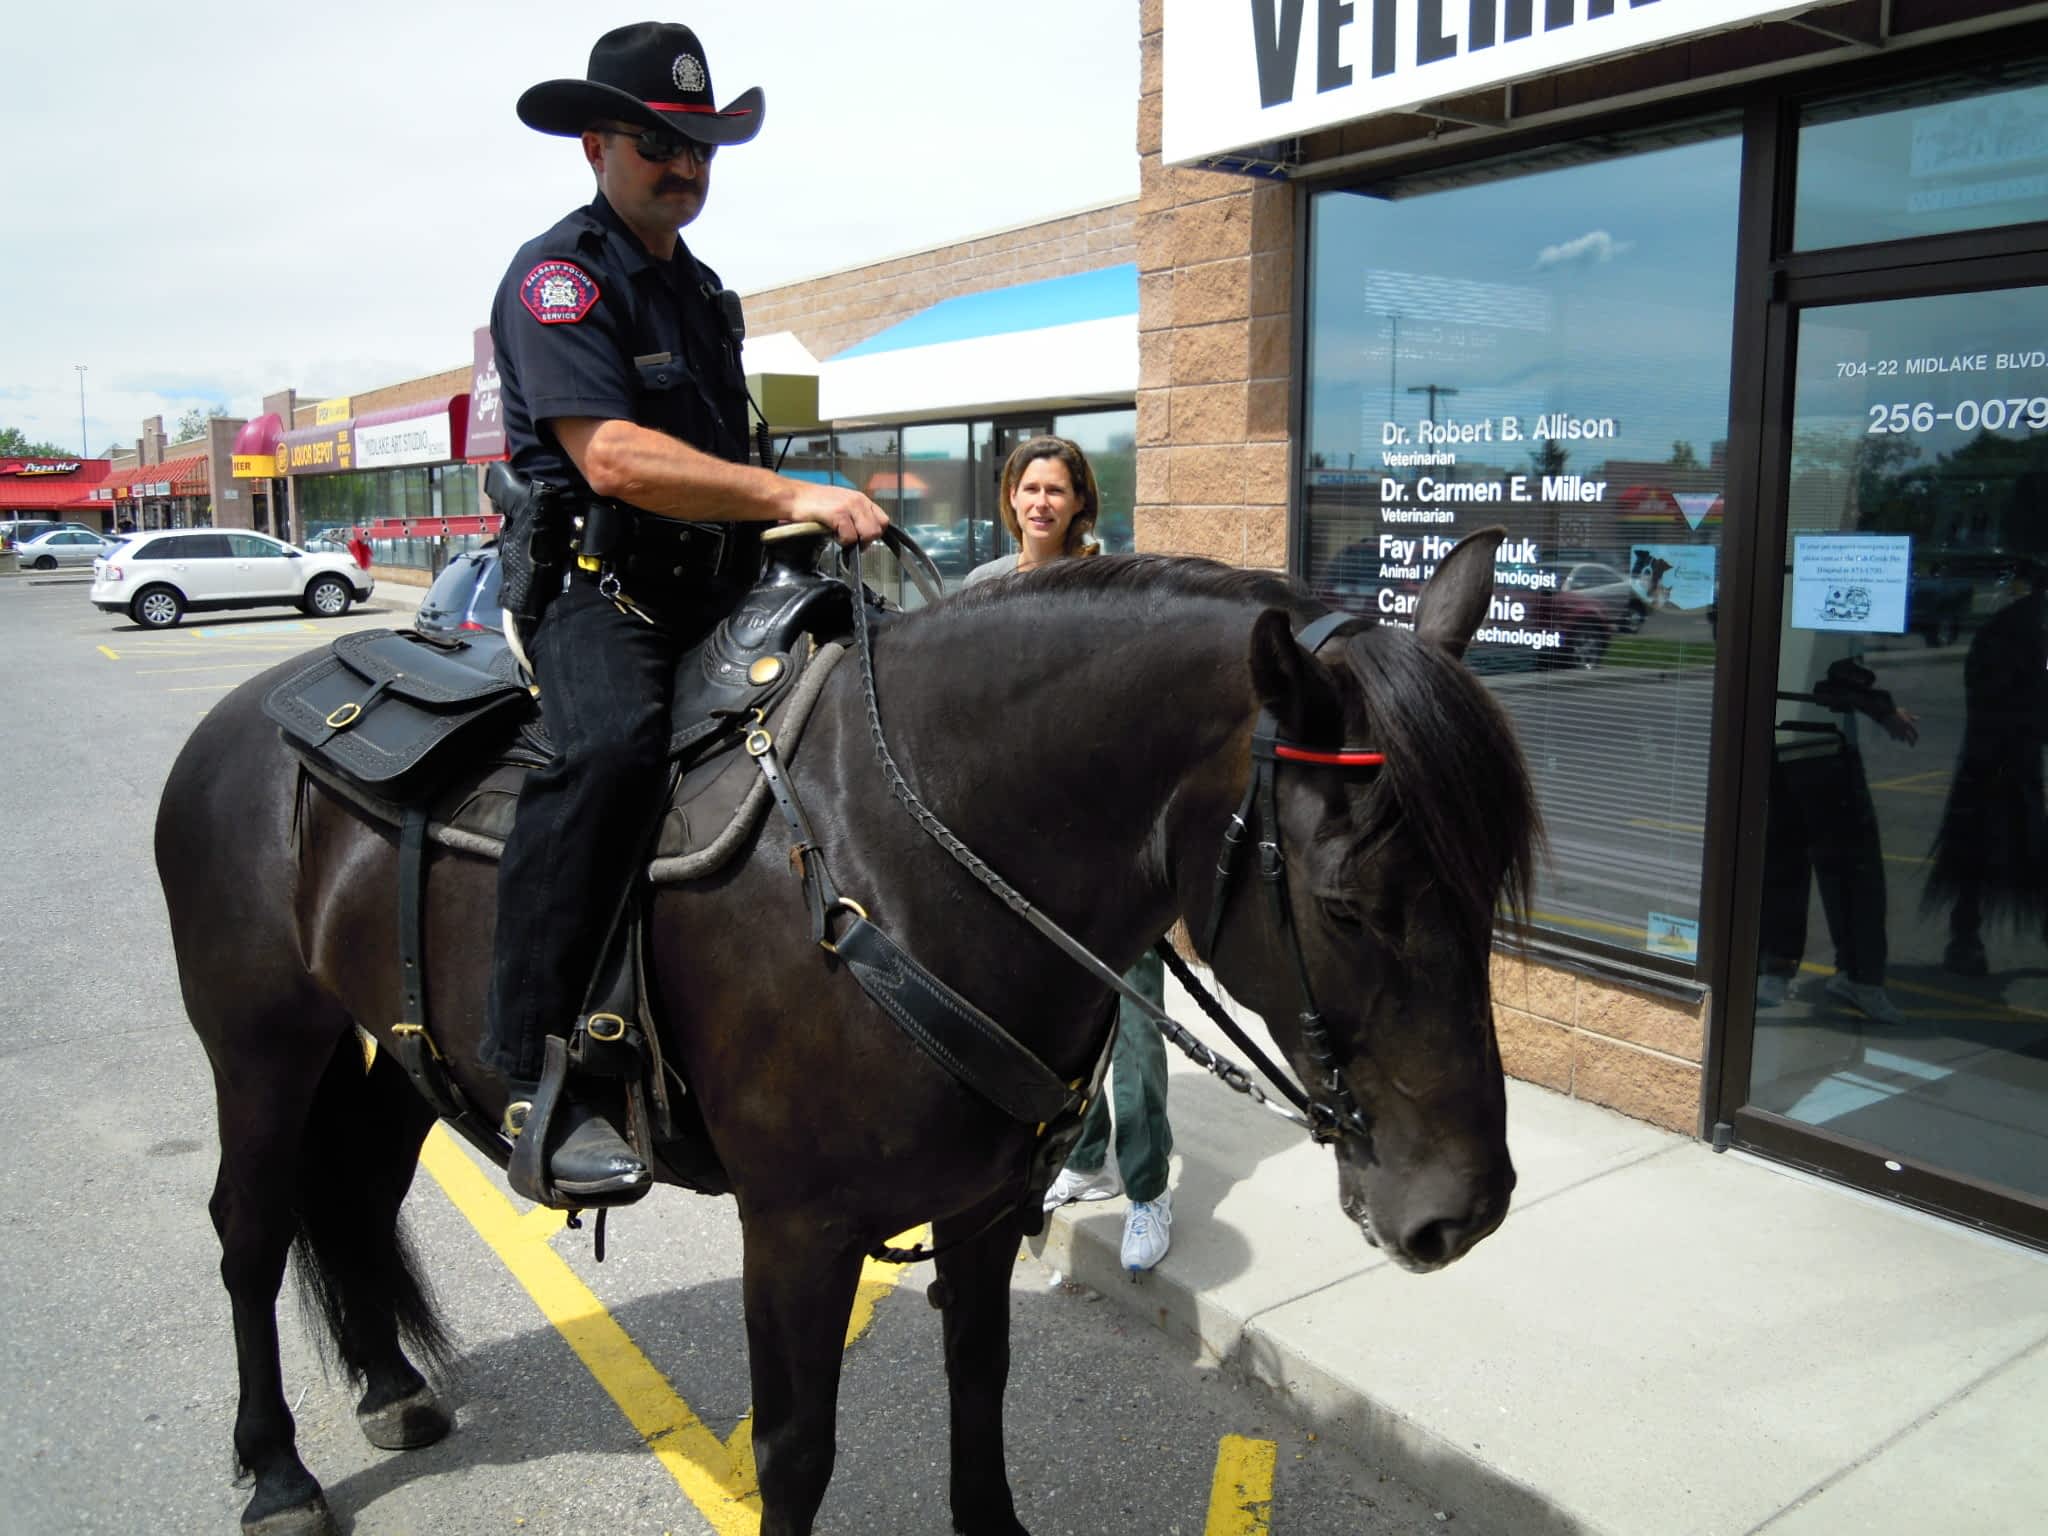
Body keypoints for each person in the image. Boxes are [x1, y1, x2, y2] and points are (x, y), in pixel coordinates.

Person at [481, 20, 888, 1208]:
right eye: (660, 143)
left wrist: (799, 520)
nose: (686, 165)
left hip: (720, 581)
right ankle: (535, 1069)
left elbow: (726, 461)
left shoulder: (706, 296)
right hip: (600, 590)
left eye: (703, 144)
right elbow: (609, 454)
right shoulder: (559, 276)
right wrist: (786, 491)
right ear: (597, 144)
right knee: (606, 757)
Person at [964, 437, 1175, 1272]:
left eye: (1058, 489)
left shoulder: (1108, 590)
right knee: (1059, 1022)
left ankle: (1150, 1189)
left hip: (1111, 845)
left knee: (1133, 1020)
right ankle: (1086, 1161)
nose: (1041, 502)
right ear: (1011, 499)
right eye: (1029, 488)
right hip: (1020, 845)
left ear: (1080, 502)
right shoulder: (983, 588)